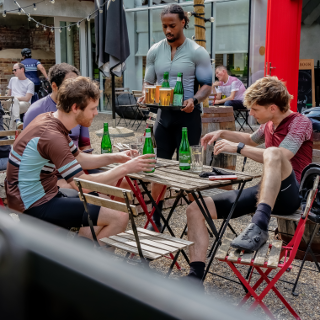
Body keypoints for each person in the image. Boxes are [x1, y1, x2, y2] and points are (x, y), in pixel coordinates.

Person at [185, 76, 312, 282]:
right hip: (265, 192)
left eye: (255, 109)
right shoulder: (269, 124)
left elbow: (281, 155)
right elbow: (250, 139)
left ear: (272, 108)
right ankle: (194, 277)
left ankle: (259, 225)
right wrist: (222, 132)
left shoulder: (300, 123)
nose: (250, 114)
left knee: (273, 153)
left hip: (291, 193)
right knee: (196, 209)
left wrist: (238, 149)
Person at [5, 76, 155, 245]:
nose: (97, 113)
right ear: (75, 107)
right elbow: (82, 183)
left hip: (40, 195)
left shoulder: (51, 120)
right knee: (119, 216)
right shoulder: (53, 136)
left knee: (98, 200)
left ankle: (78, 256)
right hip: (33, 204)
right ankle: (85, 267)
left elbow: (80, 158)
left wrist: (117, 157)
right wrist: (126, 168)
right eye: (93, 108)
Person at [138, 4, 212, 231]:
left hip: (188, 118)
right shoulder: (154, 51)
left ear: (183, 22)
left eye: (172, 25)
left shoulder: (197, 52)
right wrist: (145, 93)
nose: (167, 30)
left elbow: (207, 85)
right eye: (164, 26)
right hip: (163, 117)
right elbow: (148, 82)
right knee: (157, 167)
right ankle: (155, 219)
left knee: (189, 168)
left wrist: (195, 100)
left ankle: (198, 216)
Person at [7, 63, 34, 130]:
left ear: (22, 69)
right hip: (12, 103)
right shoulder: (12, 79)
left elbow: (27, 99)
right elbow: (8, 95)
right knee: (14, 104)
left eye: (15, 70)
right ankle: (17, 121)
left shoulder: (30, 83)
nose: (14, 71)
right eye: (13, 70)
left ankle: (12, 133)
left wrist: (14, 98)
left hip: (25, 104)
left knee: (14, 104)